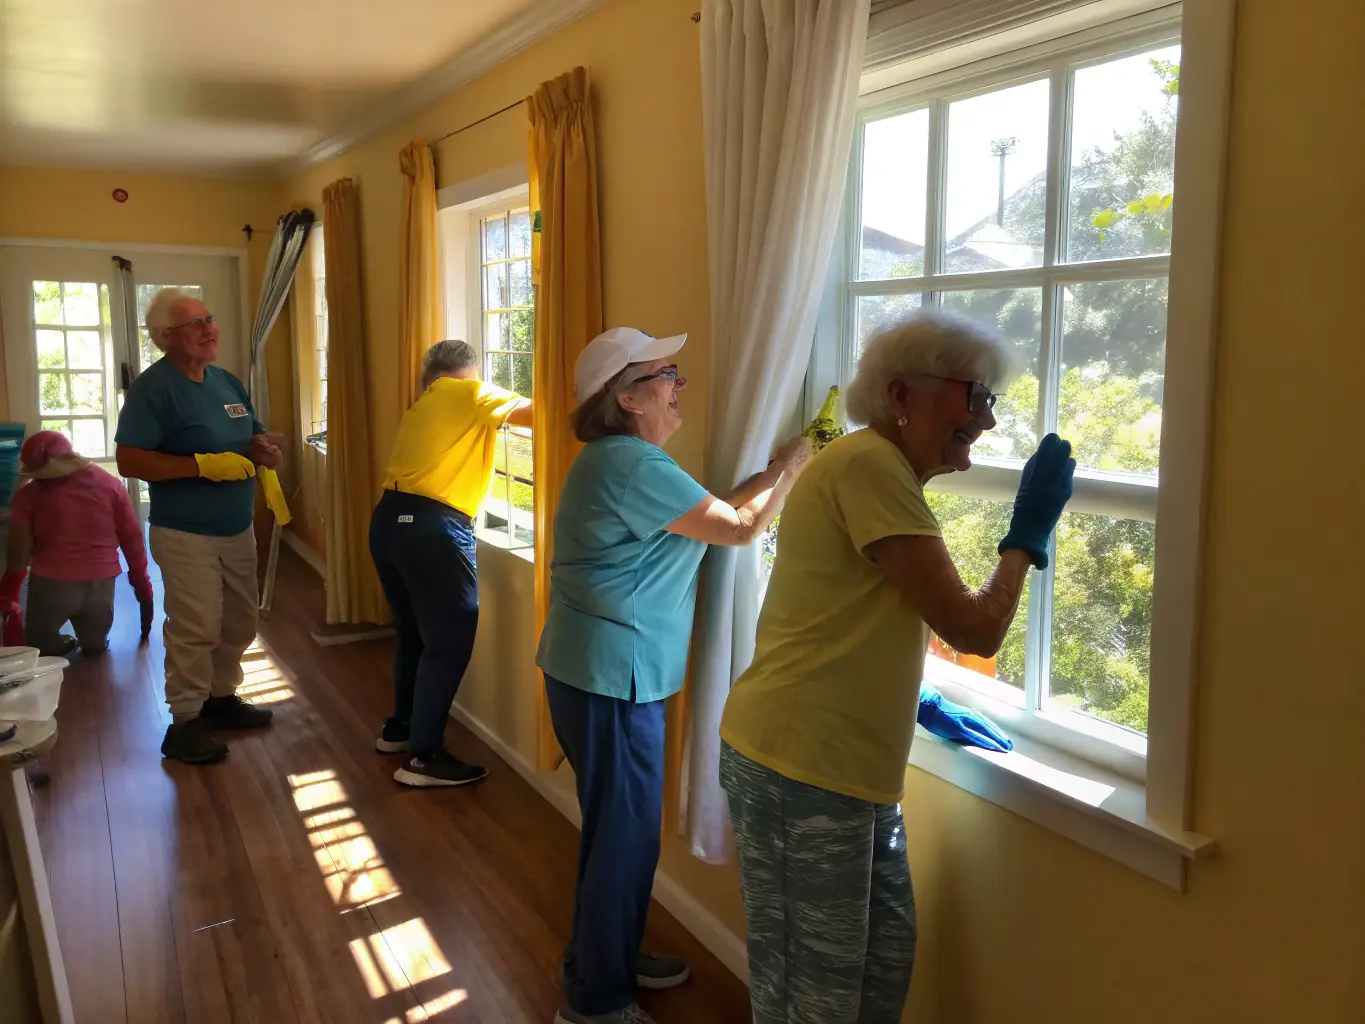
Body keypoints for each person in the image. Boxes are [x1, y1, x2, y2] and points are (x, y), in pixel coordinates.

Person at [719, 310, 1076, 1024]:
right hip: (800, 765)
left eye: (991, 402)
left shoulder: (874, 469)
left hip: (847, 769)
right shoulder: (869, 464)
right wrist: (1026, 534)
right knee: (812, 995)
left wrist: (909, 693)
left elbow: (846, 611)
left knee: (879, 965)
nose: (988, 419)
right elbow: (973, 627)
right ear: (900, 395)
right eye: (973, 396)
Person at [537, 326, 811, 1024]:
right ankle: (595, 1000)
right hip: (610, 676)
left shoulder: (619, 461)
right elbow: (743, 529)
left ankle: (605, 959)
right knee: (623, 836)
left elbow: (713, 510)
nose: (678, 384)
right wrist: (794, 468)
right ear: (628, 398)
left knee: (618, 833)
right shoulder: (629, 464)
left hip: (597, 670)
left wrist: (773, 469)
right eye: (667, 373)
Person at [115, 287, 284, 765]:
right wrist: (201, 465)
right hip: (186, 532)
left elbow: (249, 435)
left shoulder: (226, 382)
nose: (209, 328)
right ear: (166, 337)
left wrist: (263, 447)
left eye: (209, 318)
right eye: (195, 323)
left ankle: (220, 697)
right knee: (197, 626)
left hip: (237, 525)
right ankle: (185, 721)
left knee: (239, 619)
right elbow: (129, 459)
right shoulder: (154, 389)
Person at [369, 339, 532, 787]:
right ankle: (424, 757)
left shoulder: (422, 406)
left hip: (389, 521)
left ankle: (400, 730)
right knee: (449, 642)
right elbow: (536, 415)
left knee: (414, 635)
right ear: (468, 373)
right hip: (433, 530)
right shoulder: (467, 392)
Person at [0, 431, 153, 657]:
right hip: (101, 582)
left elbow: (19, 551)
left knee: (40, 645)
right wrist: (143, 589)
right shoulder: (110, 484)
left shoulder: (29, 495)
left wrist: (8, 594)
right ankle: (94, 642)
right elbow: (133, 538)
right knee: (94, 644)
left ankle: (59, 645)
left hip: (51, 584)